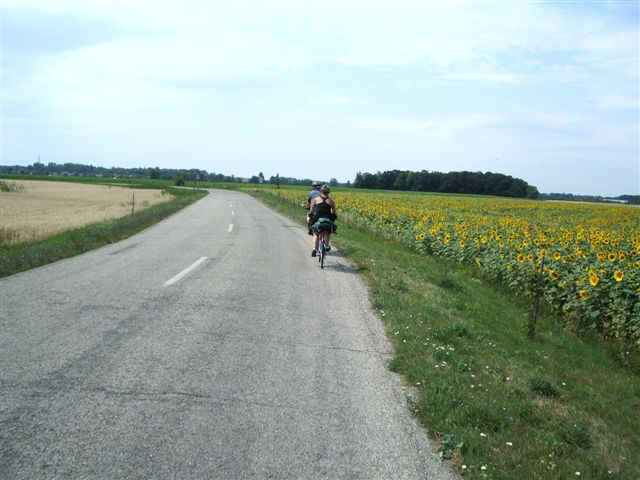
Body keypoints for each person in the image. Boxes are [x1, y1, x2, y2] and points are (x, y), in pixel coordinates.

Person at [309, 184, 337, 257]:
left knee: (315, 233)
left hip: (317, 219)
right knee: (327, 232)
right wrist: (333, 217)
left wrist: (311, 216)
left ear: (321, 191)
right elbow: (334, 212)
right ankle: (327, 246)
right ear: (329, 192)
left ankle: (315, 249)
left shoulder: (315, 200)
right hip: (327, 219)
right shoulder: (331, 201)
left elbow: (311, 211)